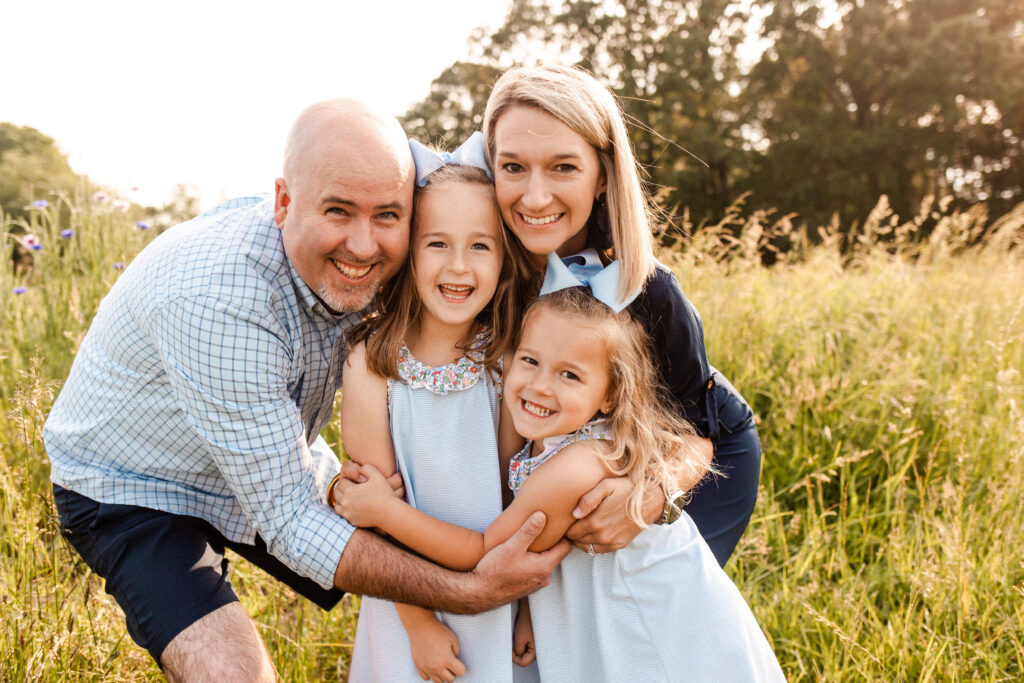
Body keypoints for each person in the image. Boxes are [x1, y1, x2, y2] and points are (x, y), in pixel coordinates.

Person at [41, 99, 568, 681]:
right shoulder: (220, 302)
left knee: (371, 520)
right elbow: (290, 520)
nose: (365, 246)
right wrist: (467, 592)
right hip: (137, 487)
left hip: (270, 449)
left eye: (388, 216)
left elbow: (481, 200)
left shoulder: (416, 258)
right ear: (284, 201)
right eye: (339, 211)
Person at [336, 287, 785, 681]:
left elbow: (481, 551)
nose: (540, 386)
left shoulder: (573, 468)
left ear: (610, 394)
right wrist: (531, 609)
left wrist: (386, 512)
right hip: (618, 615)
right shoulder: (557, 437)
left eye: (569, 374)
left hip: (661, 629)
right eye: (530, 361)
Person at [480, 64, 763, 566]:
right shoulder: (483, 267)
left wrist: (649, 499)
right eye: (513, 167)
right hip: (581, 453)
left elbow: (698, 432)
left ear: (603, 176)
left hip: (701, 456)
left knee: (664, 607)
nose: (535, 196)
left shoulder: (650, 290)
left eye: (563, 167)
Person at [341, 135, 532, 682]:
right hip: (403, 598)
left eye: (480, 246)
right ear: (408, 252)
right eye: (436, 244)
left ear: (503, 259)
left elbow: (513, 493)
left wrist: (525, 608)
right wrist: (418, 622)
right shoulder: (371, 362)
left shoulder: (508, 358)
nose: (458, 266)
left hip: (498, 587)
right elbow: (372, 509)